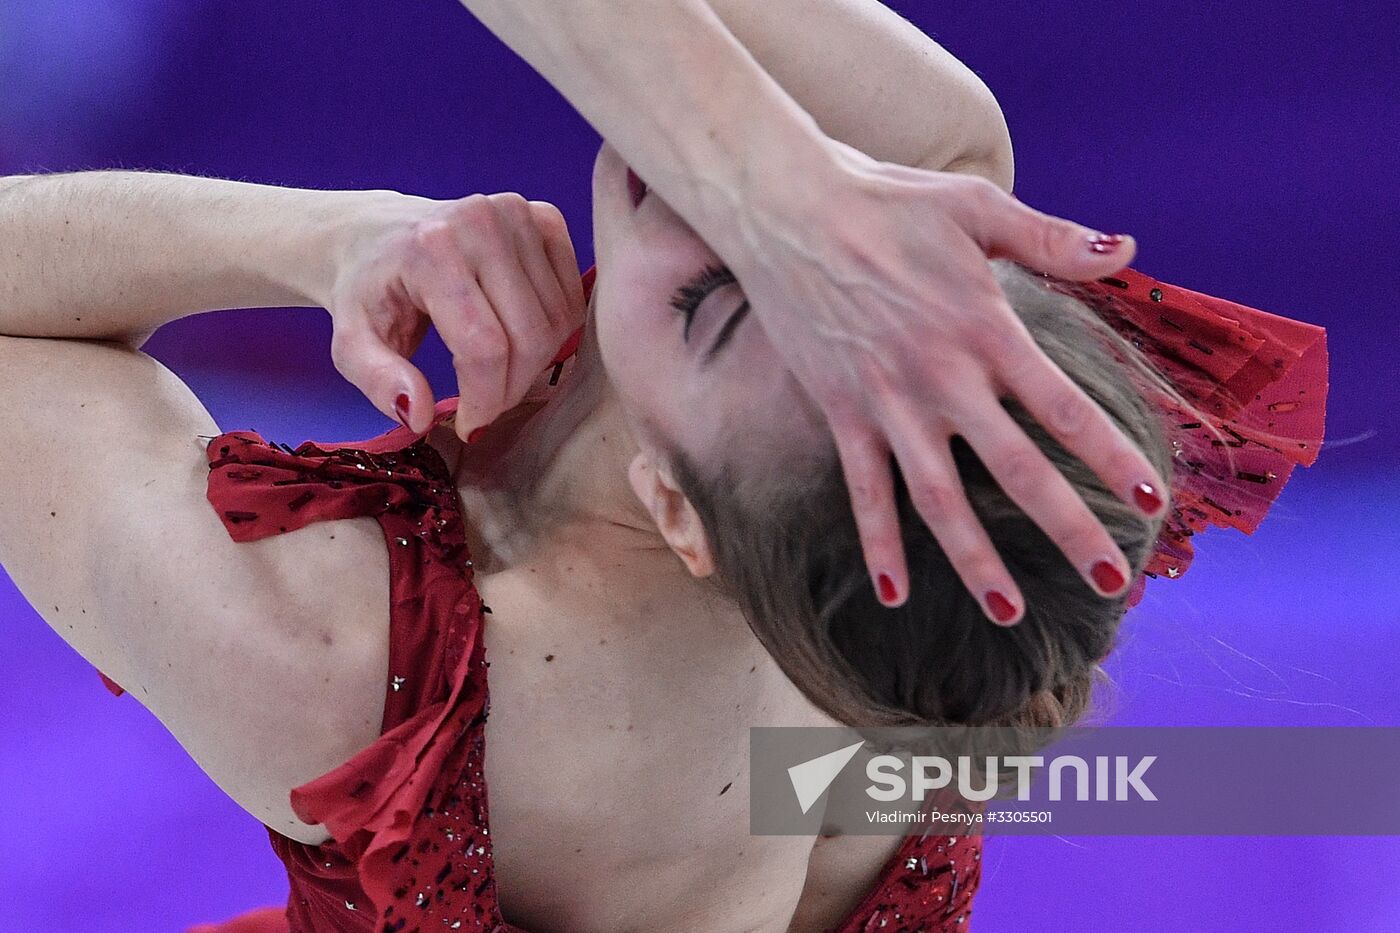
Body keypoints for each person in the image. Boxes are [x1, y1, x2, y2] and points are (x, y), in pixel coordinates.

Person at [0, 4, 1327, 933]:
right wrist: (797, 176)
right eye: (860, 266)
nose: (732, 208)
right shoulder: (956, 600)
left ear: (678, 510)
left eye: (719, 305)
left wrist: (322, 237)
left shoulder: (350, 660)